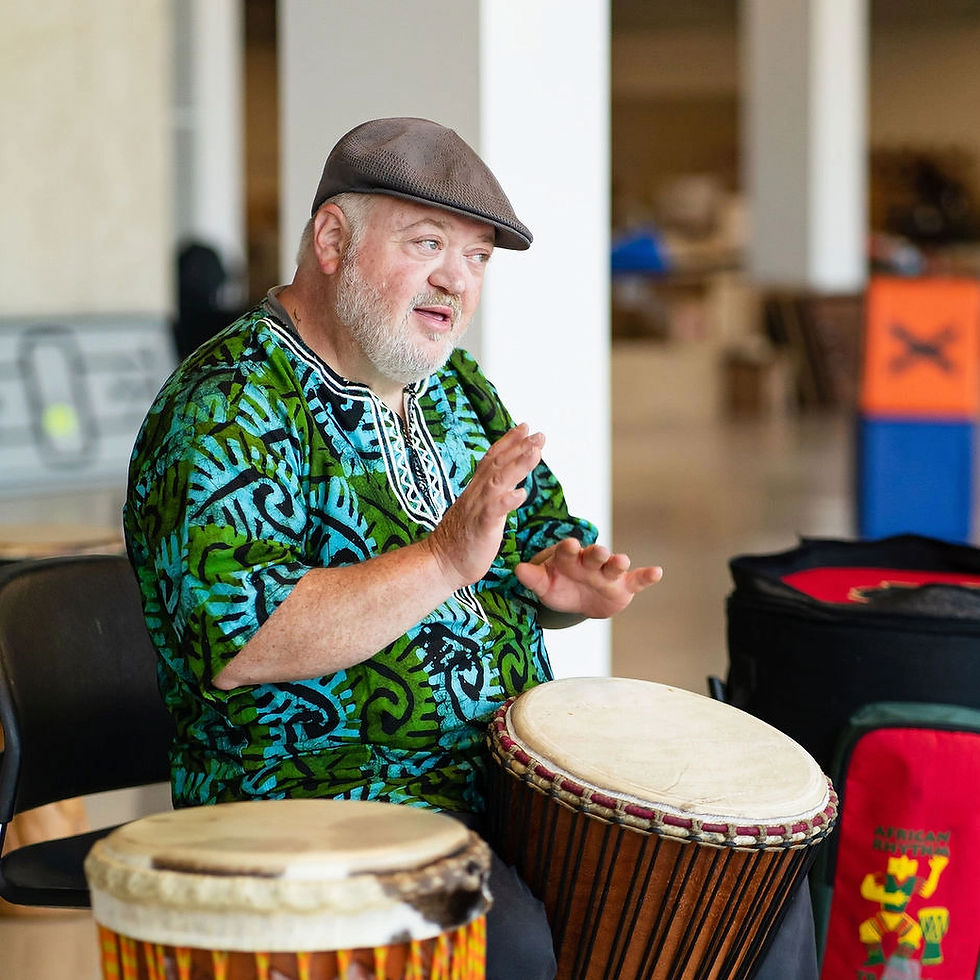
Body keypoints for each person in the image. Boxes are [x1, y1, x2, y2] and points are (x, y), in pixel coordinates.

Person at [124, 117, 813, 979]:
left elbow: (531, 537)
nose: (457, 279)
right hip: (310, 794)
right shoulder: (228, 402)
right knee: (507, 937)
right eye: (428, 243)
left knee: (756, 885)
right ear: (332, 239)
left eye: (479, 257)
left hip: (497, 781)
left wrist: (564, 585)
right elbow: (242, 642)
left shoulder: (453, 388)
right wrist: (443, 560)